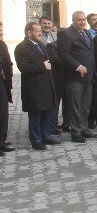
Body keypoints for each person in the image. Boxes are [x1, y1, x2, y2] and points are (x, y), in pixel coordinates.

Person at [15, 22, 60, 150]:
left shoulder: (40, 44)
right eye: (37, 31)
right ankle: (36, 140)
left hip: (46, 85)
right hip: (34, 87)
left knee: (47, 113)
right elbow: (23, 68)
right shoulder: (21, 48)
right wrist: (43, 66)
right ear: (29, 33)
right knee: (36, 115)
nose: (40, 33)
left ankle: (46, 136)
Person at [58, 11, 97, 143]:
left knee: (85, 105)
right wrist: (77, 66)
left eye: (84, 19)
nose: (82, 22)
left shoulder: (86, 32)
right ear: (73, 20)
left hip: (89, 76)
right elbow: (63, 54)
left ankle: (83, 128)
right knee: (75, 106)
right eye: (79, 20)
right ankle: (75, 132)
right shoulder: (66, 33)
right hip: (74, 77)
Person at [0, 22, 14, 154]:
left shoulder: (2, 44)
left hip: (3, 83)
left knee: (3, 113)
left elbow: (8, 61)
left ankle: (2, 141)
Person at [86, 13, 97, 129]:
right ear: (89, 22)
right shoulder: (88, 34)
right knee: (92, 96)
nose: (96, 22)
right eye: (93, 20)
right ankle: (91, 120)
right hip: (92, 68)